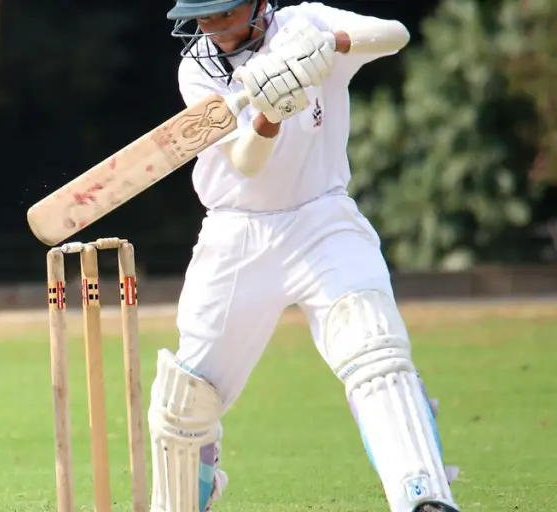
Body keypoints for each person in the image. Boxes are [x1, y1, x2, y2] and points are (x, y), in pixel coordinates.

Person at [145, 1, 461, 511]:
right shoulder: (195, 70)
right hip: (236, 233)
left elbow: (396, 34)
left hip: (321, 218)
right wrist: (269, 113)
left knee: (374, 349)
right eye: (202, 17)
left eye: (222, 14)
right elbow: (246, 161)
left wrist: (329, 44)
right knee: (187, 397)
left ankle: (422, 497)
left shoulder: (307, 22)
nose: (211, 28)